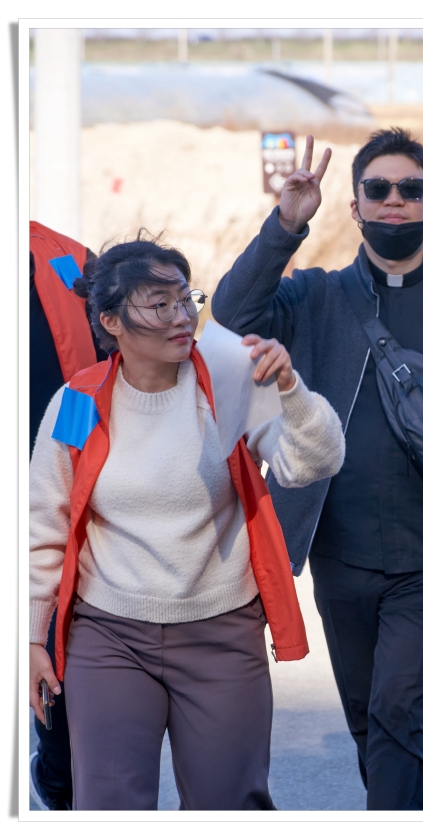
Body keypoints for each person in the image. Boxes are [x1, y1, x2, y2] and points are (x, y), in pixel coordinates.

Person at [211, 129, 423, 810]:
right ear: (354, 207)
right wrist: (286, 225)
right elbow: (230, 316)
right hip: (339, 556)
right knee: (368, 717)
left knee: (395, 709)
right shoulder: (315, 297)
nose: (394, 200)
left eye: (410, 189)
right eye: (377, 189)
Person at [29, 232, 345, 811]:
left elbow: (311, 463)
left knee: (229, 805)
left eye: (185, 298)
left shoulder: (225, 380)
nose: (182, 317)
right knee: (107, 807)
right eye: (160, 304)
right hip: (110, 635)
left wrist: (290, 389)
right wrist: (30, 636)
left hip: (222, 631)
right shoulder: (78, 401)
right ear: (111, 322)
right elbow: (44, 526)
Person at [30, 221, 108, 811]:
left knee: (61, 685)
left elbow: (109, 372)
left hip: (59, 488)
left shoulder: (70, 261)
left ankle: (63, 790)